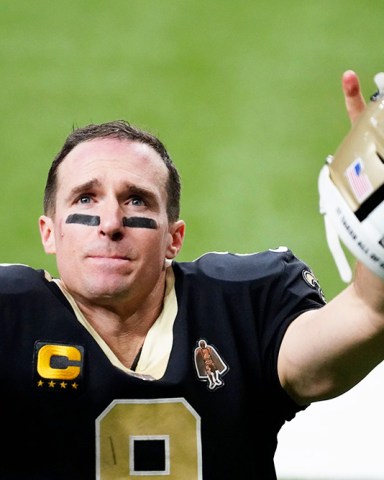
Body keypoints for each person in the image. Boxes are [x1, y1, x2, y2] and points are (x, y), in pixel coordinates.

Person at [0, 69, 382, 480]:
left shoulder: (241, 307)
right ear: (49, 232)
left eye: (137, 201)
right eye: (86, 197)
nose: (110, 222)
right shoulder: (10, 317)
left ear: (173, 239)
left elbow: (368, 313)